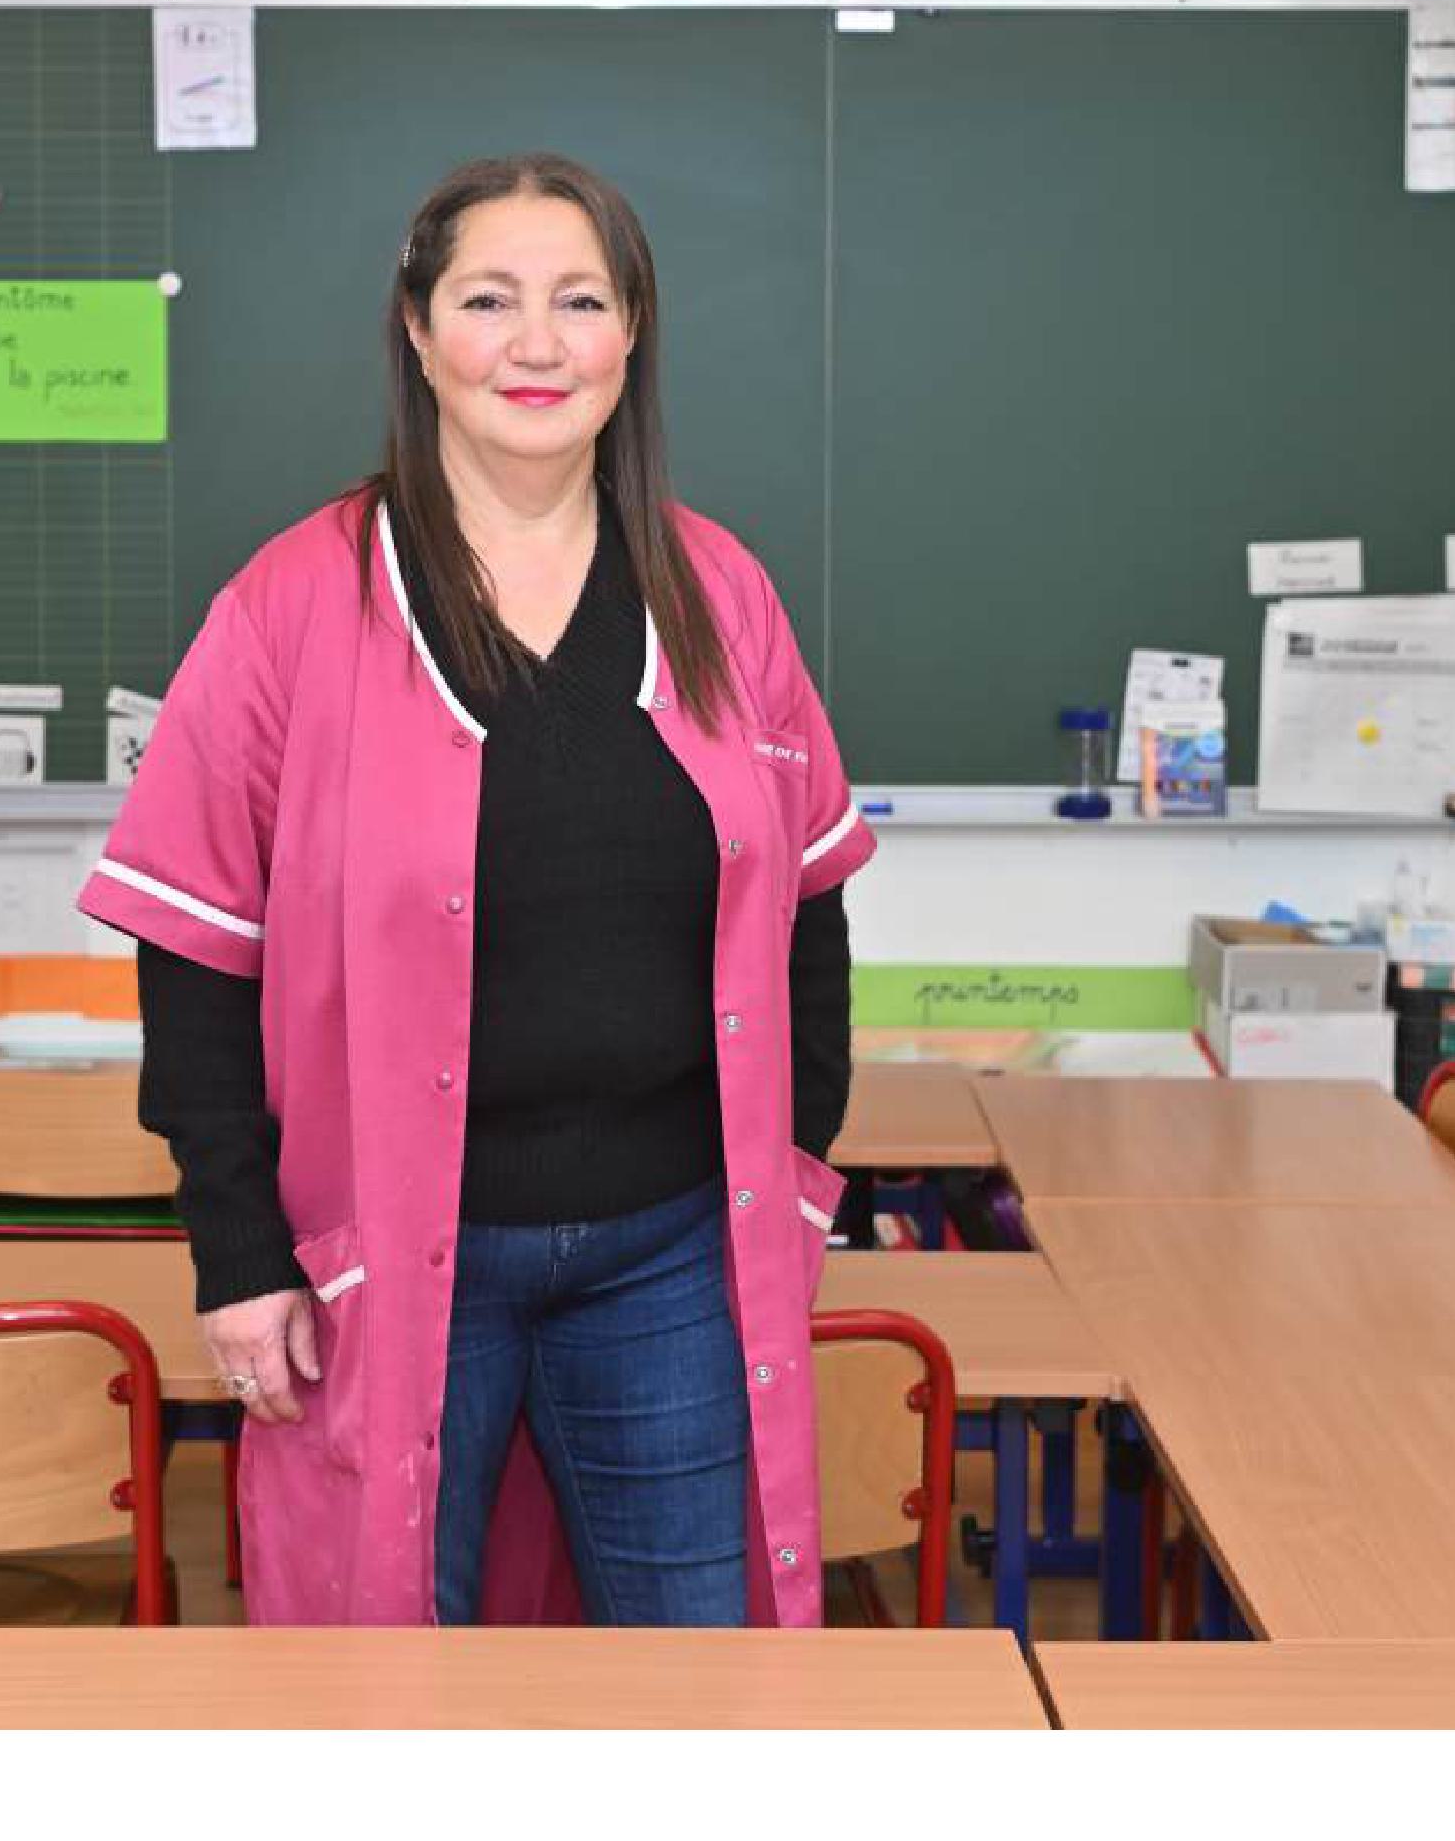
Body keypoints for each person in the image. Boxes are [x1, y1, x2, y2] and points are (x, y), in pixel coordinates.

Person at [76, 152, 871, 1628]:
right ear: (417, 328)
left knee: (699, 1676)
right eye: (488, 299)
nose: (536, 343)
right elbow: (195, 958)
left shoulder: (718, 591)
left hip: (673, 1251)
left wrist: (803, 1171)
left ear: (630, 334)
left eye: (579, 300)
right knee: (391, 1678)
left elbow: (808, 905)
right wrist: (238, 1254)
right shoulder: (292, 603)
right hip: (384, 1259)